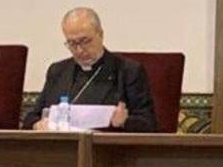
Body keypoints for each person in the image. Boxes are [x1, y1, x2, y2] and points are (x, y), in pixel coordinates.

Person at [22, 8, 157, 132]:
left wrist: (124, 122)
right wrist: (37, 125)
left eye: (85, 41)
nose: (79, 50)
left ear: (100, 34)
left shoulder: (128, 71)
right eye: (72, 44)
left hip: (107, 152)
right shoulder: (58, 71)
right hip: (62, 151)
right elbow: (31, 118)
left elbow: (149, 124)